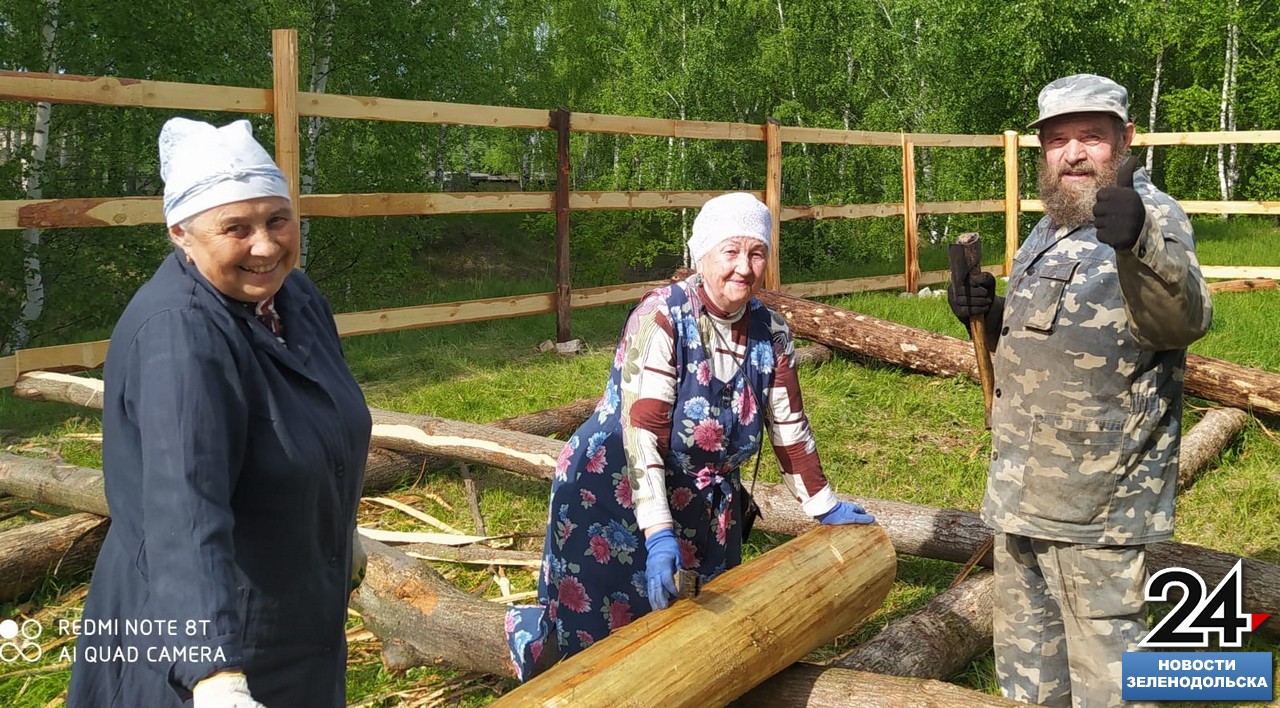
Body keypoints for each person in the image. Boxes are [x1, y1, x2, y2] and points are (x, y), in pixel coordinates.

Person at [505, 191, 876, 681]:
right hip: (612, 490)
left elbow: (790, 427)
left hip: (702, 503)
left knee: (691, 642)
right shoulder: (662, 318)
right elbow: (643, 436)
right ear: (702, 255)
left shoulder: (773, 333)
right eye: (731, 251)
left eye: (757, 252)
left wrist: (822, 503)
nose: (744, 267)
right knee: (601, 640)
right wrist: (659, 532)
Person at [67, 118, 372, 707]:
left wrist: (340, 527)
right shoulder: (179, 337)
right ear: (181, 232)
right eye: (236, 228)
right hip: (215, 635)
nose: (265, 245)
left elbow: (324, 420)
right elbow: (183, 513)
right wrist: (214, 675)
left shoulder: (293, 298)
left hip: (297, 616)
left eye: (277, 220)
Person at [948, 74, 1213, 707]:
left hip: (1098, 500)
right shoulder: (1055, 223)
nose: (1073, 153)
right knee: (1030, 667)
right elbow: (1063, 328)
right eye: (1058, 140)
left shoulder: (1152, 215)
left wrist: (1140, 239)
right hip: (1024, 487)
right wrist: (988, 313)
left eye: (1091, 137)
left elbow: (1182, 319)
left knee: (1109, 674)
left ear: (1125, 141)